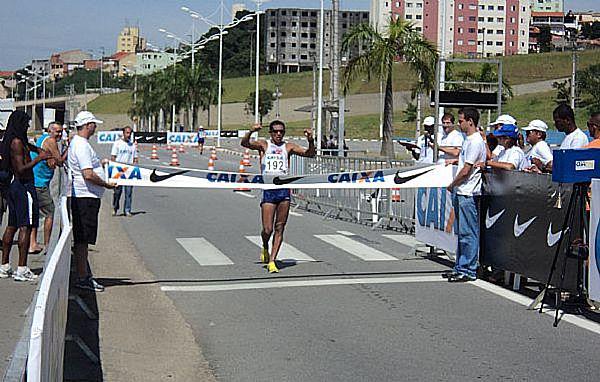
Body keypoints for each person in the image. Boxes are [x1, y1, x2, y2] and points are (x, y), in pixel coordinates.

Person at [241, 120, 315, 273]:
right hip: (269, 190)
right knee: (267, 229)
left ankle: (273, 260)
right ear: (270, 133)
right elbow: (245, 143)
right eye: (275, 131)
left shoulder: (288, 147)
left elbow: (309, 154)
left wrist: (311, 140)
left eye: (281, 131)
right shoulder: (264, 145)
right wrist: (251, 131)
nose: (278, 134)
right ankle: (265, 245)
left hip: (284, 191)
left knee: (280, 227)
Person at [0, 111, 52, 282]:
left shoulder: (16, 140)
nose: (28, 126)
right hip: (24, 187)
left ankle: (5, 265)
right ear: (20, 124)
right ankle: (21, 269)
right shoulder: (16, 143)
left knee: (12, 225)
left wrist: (38, 150)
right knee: (26, 226)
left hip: (14, 187)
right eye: (26, 123)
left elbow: (30, 147)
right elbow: (21, 169)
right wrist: (39, 158)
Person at [68, 111, 116, 291]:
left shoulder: (81, 144)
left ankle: (84, 275)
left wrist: (101, 165)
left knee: (84, 239)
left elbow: (90, 168)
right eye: (94, 124)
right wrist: (106, 184)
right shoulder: (81, 145)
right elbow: (87, 174)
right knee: (83, 239)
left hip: (87, 197)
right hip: (85, 198)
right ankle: (82, 277)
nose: (95, 127)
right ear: (88, 125)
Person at [445, 107, 487, 282]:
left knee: (468, 232)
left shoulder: (476, 141)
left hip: (468, 191)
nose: (459, 124)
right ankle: (460, 265)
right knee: (462, 232)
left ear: (470, 121)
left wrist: (452, 184)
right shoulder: (468, 140)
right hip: (462, 191)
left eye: (461, 121)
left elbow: (466, 170)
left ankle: (469, 268)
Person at [29, 121, 68, 254]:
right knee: (50, 212)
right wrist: (69, 148)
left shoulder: (41, 138)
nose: (59, 134)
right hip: (40, 184)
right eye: (57, 131)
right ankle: (48, 245)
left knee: (35, 213)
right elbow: (60, 161)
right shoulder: (51, 141)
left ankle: (32, 243)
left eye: (61, 131)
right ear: (50, 131)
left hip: (36, 181)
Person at [110, 125, 138, 217]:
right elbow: (113, 157)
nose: (129, 135)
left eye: (130, 133)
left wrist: (135, 168)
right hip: (119, 170)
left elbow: (135, 158)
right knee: (117, 192)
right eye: (127, 133)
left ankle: (127, 210)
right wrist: (113, 172)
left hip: (129, 172)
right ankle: (115, 207)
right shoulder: (117, 143)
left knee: (128, 192)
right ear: (123, 133)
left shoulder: (132, 145)